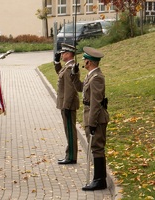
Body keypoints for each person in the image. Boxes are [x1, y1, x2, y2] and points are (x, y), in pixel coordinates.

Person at [71, 46, 109, 191]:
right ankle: (98, 179)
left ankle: (100, 180)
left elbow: (96, 103)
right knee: (95, 148)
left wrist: (92, 123)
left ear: (90, 63)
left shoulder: (97, 78)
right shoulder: (90, 75)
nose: (84, 62)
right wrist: (74, 75)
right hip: (90, 116)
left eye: (85, 60)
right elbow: (80, 88)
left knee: (97, 148)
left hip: (96, 118)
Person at [53, 43, 79, 164]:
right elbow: (60, 73)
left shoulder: (70, 68)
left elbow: (70, 89)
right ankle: (69, 155)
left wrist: (66, 106)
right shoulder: (67, 67)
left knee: (70, 130)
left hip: (67, 105)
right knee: (68, 129)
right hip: (66, 104)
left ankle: (71, 157)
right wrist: (57, 62)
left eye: (63, 53)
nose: (62, 55)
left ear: (68, 54)